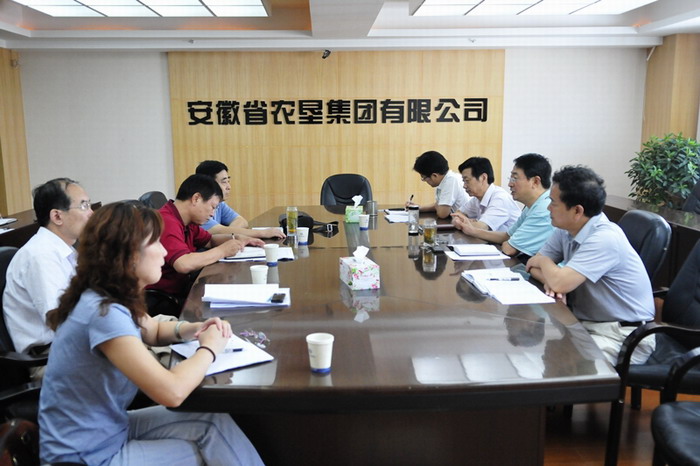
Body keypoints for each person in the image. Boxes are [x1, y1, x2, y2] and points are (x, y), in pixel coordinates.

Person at [39, 202, 264, 465]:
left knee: (212, 421)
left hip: (109, 430)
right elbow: (172, 392)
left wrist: (194, 329)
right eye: (155, 243)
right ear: (129, 255)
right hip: (85, 456)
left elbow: (154, 330)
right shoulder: (104, 313)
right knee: (208, 454)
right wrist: (209, 348)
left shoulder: (108, 295)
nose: (164, 251)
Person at [526, 165, 655, 365]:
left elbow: (546, 269)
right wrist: (552, 280)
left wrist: (545, 264)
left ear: (577, 211)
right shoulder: (566, 228)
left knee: (563, 365)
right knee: (543, 357)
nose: (548, 208)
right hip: (585, 323)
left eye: (553, 203)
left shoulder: (604, 238)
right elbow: (531, 267)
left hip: (622, 335)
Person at [2, 178, 92, 377]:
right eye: (84, 206)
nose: (91, 213)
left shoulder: (64, 251)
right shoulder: (40, 256)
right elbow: (61, 321)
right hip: (51, 358)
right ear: (57, 216)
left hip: (73, 347)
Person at [146, 174, 263, 313]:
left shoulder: (186, 220)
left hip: (182, 289)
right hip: (164, 300)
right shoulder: (167, 221)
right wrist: (223, 251)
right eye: (212, 207)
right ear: (196, 198)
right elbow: (183, 264)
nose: (213, 214)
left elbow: (209, 240)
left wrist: (237, 238)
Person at [451, 153, 553, 261]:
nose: (509, 184)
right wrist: (472, 230)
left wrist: (508, 242)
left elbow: (509, 249)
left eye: (514, 178)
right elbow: (507, 236)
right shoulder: (533, 206)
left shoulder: (545, 209)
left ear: (535, 181)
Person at [196, 160, 285, 240]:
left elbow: (241, 221)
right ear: (209, 184)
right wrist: (263, 233)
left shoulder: (220, 204)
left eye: (228, 181)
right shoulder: (199, 208)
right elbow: (218, 231)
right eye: (224, 182)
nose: (229, 187)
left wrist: (230, 232)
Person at [451, 156, 521, 234]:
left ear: (483, 178)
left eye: (467, 180)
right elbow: (457, 213)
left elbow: (480, 228)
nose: (464, 186)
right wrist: (464, 221)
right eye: (463, 181)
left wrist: (464, 222)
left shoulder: (500, 198)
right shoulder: (477, 198)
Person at [407, 150, 470, 219]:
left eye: (424, 178)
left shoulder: (451, 181)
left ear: (434, 175)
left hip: (468, 222)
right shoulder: (443, 181)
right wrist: (419, 208)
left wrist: (439, 206)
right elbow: (439, 205)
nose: (424, 181)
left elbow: (442, 214)